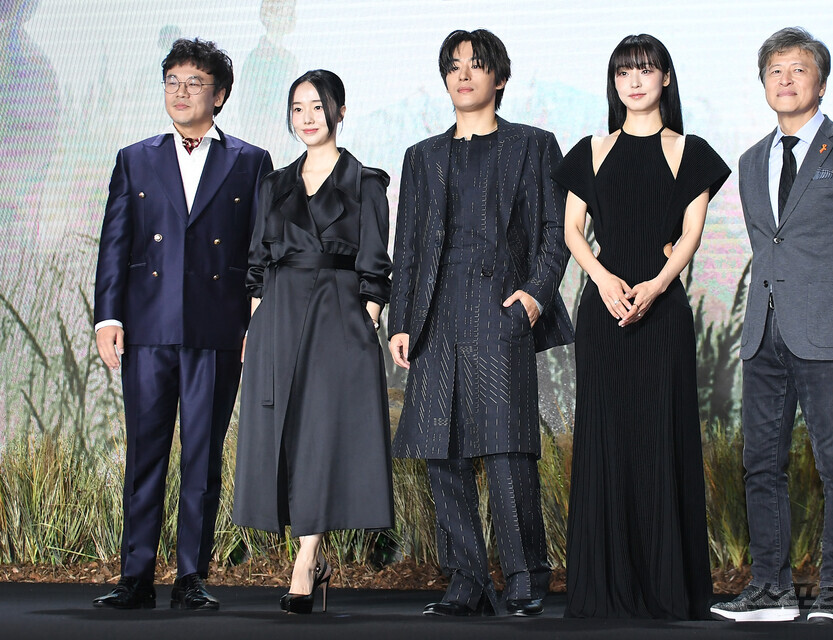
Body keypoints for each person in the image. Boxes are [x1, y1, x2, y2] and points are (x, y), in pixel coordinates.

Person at [710, 27, 833, 626]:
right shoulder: (749, 162)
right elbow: (769, 246)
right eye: (775, 71)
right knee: (761, 465)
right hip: (763, 335)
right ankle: (772, 591)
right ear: (763, 83)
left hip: (828, 336)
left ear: (821, 82)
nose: (785, 80)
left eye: (798, 70)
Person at [388, 28, 574, 617]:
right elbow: (407, 246)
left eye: (476, 64)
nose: (463, 74)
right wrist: (401, 321)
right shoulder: (421, 156)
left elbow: (556, 232)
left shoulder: (534, 145)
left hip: (500, 308)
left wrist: (534, 297)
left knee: (507, 448)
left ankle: (525, 575)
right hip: (434, 315)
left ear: (501, 76)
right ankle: (466, 579)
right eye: (453, 66)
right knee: (440, 450)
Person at [552, 34, 730, 619]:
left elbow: (691, 233)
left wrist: (655, 285)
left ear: (666, 78)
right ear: (614, 82)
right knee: (604, 441)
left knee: (662, 439)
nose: (634, 80)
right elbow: (572, 230)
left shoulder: (690, 151)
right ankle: (603, 590)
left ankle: (667, 590)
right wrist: (603, 279)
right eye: (624, 71)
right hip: (604, 312)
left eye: (646, 70)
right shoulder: (591, 150)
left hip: (662, 311)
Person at [93, 38, 273, 610]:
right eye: (172, 81)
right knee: (145, 454)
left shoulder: (250, 161)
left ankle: (191, 575)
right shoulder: (135, 158)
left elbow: (261, 251)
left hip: (218, 330)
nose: (180, 92)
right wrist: (108, 317)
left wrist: (256, 322)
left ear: (219, 95)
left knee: (202, 456)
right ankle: (135, 577)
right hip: (146, 328)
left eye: (194, 83)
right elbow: (115, 244)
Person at [232, 69, 395, 614]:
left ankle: (306, 562)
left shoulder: (365, 183)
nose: (307, 118)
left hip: (338, 314)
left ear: (340, 112)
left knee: (323, 434)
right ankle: (311, 558)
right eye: (297, 108)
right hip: (277, 314)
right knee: (287, 433)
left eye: (318, 106)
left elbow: (375, 263)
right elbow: (257, 263)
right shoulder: (274, 184)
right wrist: (254, 329)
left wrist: (366, 319)